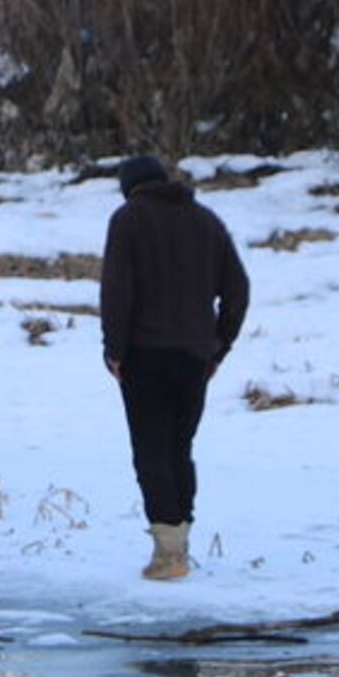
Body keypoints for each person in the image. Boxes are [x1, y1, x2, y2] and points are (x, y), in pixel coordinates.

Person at [100, 155, 250, 580]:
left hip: (143, 354)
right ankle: (179, 545)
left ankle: (168, 556)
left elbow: (116, 289)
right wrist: (219, 347)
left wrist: (113, 349)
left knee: (150, 451)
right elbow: (238, 290)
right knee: (179, 449)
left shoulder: (128, 219)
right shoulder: (206, 221)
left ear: (129, 186)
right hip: (193, 357)